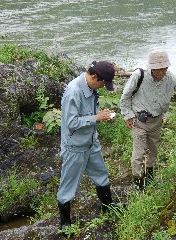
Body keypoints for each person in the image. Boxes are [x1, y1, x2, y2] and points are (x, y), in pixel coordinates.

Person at [120, 49, 176, 190]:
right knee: (139, 154)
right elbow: (126, 95)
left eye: (164, 69)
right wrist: (127, 114)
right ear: (151, 68)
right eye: (158, 70)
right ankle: (138, 185)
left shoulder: (172, 79)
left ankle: (150, 180)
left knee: (153, 151)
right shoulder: (139, 75)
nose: (161, 73)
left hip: (157, 120)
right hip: (139, 121)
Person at [57, 61, 116, 236]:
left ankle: (108, 207)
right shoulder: (73, 91)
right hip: (75, 147)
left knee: (101, 174)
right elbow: (71, 123)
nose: (103, 87)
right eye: (102, 83)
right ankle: (65, 223)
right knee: (68, 186)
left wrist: (99, 116)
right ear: (93, 76)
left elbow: (88, 114)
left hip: (91, 143)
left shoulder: (91, 87)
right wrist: (96, 117)